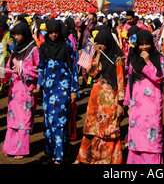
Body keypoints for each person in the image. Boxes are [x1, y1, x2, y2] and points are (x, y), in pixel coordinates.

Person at [75, 27, 126, 164]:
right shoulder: (99, 57)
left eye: (101, 44)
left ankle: (107, 158)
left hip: (109, 100)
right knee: (92, 129)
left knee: (108, 130)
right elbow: (91, 72)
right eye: (97, 44)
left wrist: (120, 104)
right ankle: (87, 156)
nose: (99, 46)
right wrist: (97, 55)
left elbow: (121, 82)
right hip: (95, 99)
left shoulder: (118, 59)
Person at [33, 19, 79, 164]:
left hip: (63, 89)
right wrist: (39, 86)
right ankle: (52, 151)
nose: (53, 35)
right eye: (51, 32)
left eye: (56, 32)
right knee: (48, 121)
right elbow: (41, 67)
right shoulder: (44, 46)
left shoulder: (66, 46)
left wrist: (73, 90)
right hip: (48, 90)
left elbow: (73, 69)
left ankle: (60, 154)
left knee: (61, 121)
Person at [124, 29, 164, 164]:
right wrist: (128, 102)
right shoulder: (133, 58)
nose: (144, 47)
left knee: (151, 136)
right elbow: (129, 81)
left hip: (151, 104)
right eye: (141, 44)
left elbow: (159, 77)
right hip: (136, 103)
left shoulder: (158, 58)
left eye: (147, 43)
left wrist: (148, 62)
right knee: (136, 136)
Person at [2, 21, 39, 159]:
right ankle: (10, 146)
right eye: (14, 35)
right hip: (14, 90)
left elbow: (38, 68)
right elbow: (9, 64)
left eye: (18, 34)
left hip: (26, 88)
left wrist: (23, 70)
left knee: (24, 119)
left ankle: (20, 149)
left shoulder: (33, 50)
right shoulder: (16, 49)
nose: (16, 37)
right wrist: (6, 72)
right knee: (12, 118)